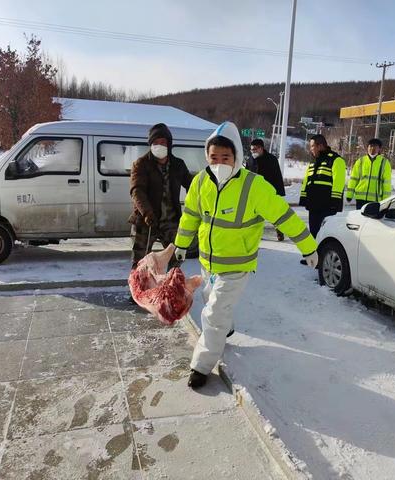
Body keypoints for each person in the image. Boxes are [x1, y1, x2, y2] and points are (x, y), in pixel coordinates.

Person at [173, 122, 318, 389]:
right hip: (209, 263)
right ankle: (225, 328)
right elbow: (191, 216)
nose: (218, 162)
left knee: (214, 313)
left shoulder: (254, 186)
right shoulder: (201, 182)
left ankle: (201, 365)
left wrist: (307, 245)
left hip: (238, 265)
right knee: (211, 303)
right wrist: (180, 245)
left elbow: (283, 215)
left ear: (237, 156)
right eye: (213, 157)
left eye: (225, 157)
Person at [128, 123, 193, 273]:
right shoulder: (141, 164)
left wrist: (197, 204)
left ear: (169, 144)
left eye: (163, 142)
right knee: (140, 261)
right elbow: (137, 190)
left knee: (176, 257)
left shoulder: (178, 164)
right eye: (155, 142)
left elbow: (191, 185)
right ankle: (137, 293)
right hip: (146, 220)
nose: (159, 145)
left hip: (171, 220)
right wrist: (147, 212)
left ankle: (171, 288)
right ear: (150, 144)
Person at [299, 134, 346, 244]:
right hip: (313, 203)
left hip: (328, 205)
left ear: (320, 146)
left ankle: (322, 257)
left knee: (325, 233)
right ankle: (313, 258)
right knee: (313, 231)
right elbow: (307, 180)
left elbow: (338, 182)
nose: (311, 149)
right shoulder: (313, 161)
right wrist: (303, 196)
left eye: (312, 146)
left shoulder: (335, 159)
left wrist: (335, 202)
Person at [248, 138, 286, 241]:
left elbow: (277, 176)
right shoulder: (250, 160)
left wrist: (279, 193)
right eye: (251, 150)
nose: (253, 152)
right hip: (255, 193)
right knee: (255, 216)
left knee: (274, 214)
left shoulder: (271, 159)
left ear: (261, 148)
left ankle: (279, 231)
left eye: (255, 149)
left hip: (270, 192)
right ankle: (255, 234)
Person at [346, 138, 392, 209]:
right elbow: (353, 179)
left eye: (375, 146)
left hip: (375, 199)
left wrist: (386, 199)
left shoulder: (385, 162)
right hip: (360, 198)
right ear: (367, 148)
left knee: (371, 220)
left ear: (379, 149)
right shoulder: (360, 161)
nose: (372, 148)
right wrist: (349, 194)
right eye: (370, 146)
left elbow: (386, 183)